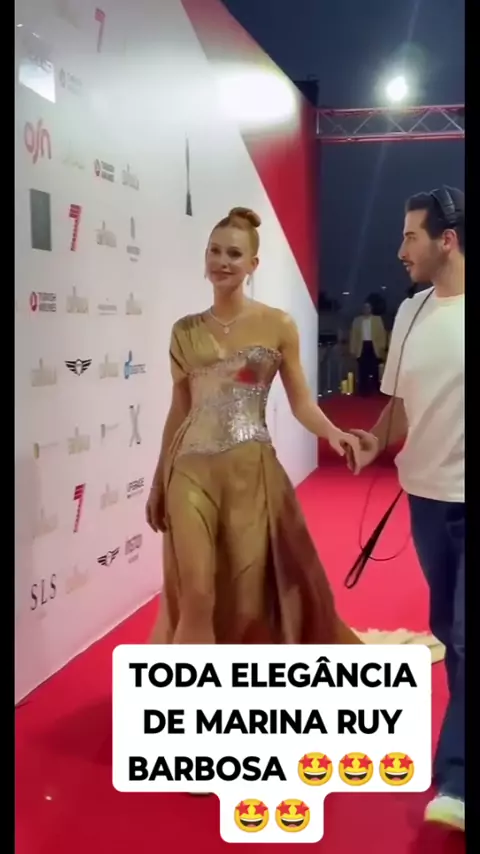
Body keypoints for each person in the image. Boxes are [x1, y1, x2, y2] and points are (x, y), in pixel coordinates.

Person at [145, 206, 365, 648]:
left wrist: (333, 432)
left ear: (252, 264)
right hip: (189, 471)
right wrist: (158, 482)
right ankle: (189, 687)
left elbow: (301, 402)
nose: (222, 261)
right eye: (214, 251)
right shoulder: (184, 331)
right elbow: (179, 409)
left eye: (233, 254)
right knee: (197, 595)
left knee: (248, 601)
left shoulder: (277, 324)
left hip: (251, 472)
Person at [350, 187, 465, 831]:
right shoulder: (412, 311)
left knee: (468, 637)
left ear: (446, 240)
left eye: (410, 237)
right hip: (424, 497)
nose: (400, 250)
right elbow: (396, 406)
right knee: (450, 632)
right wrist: (371, 442)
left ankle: (456, 779)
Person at [349, 301, 387, 395]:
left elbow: (382, 333)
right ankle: (363, 390)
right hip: (362, 346)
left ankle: (377, 389)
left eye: (368, 307)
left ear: (371, 309)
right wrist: (353, 349)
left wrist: (382, 346)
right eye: (365, 307)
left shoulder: (377, 319)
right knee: (362, 368)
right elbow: (353, 335)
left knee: (375, 368)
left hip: (374, 346)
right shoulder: (357, 320)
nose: (366, 309)